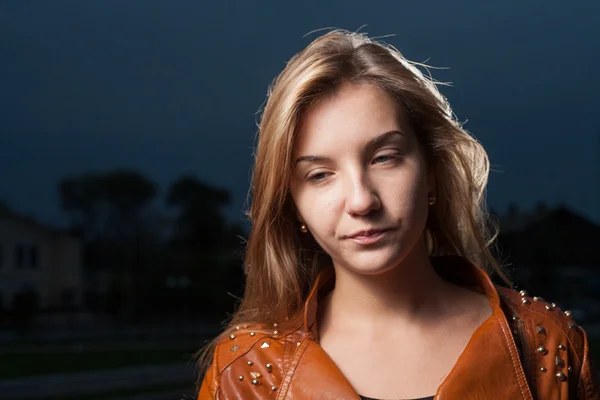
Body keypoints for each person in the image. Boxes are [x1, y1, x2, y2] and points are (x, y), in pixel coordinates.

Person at [196, 29, 598, 399]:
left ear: (432, 172)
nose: (361, 201)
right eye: (320, 175)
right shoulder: (244, 372)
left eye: (385, 158)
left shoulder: (548, 346)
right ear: (291, 202)